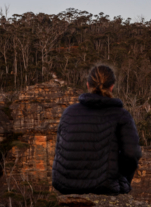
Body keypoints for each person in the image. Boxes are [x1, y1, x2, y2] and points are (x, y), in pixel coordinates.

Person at [52, 64, 142, 195]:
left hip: (65, 185)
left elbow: (60, 149)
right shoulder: (121, 115)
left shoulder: (68, 112)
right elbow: (132, 154)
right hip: (104, 187)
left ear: (88, 85)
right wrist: (123, 180)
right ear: (112, 87)